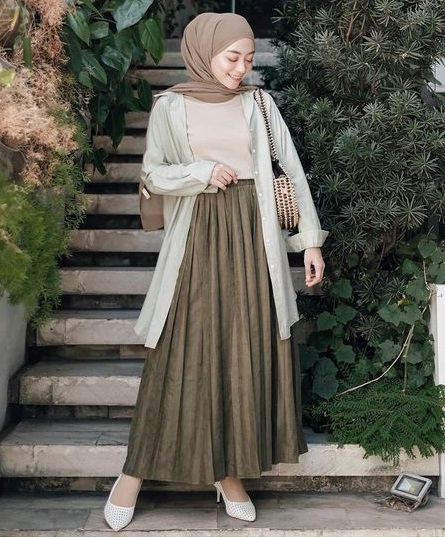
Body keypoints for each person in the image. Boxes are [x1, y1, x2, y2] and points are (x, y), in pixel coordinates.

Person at [104, 12, 328, 532]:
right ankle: (131, 476)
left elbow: (290, 172)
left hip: (255, 240)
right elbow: (153, 174)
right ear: (205, 53)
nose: (241, 68)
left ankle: (228, 476)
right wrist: (200, 171)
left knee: (243, 351)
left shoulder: (260, 104)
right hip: (197, 240)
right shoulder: (170, 105)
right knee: (178, 353)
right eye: (232, 58)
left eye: (248, 59)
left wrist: (310, 243)